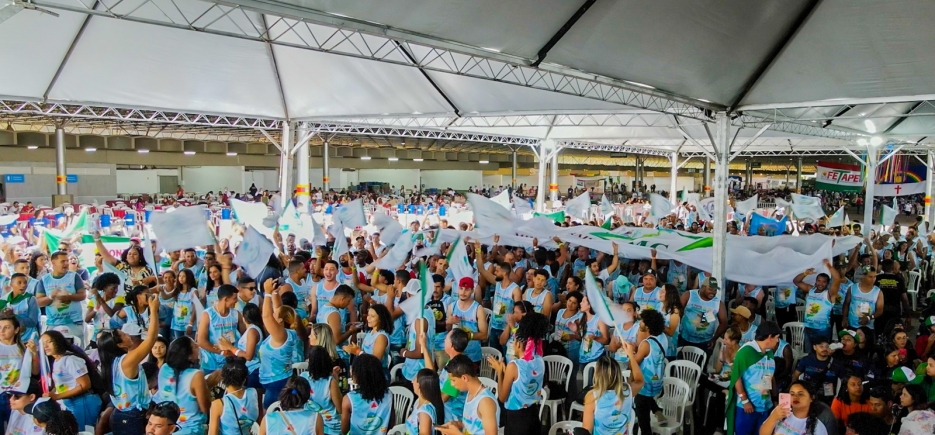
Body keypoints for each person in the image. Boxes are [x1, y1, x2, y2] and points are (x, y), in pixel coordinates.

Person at [98, 295, 161, 435]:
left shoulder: (111, 361)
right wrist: (153, 309)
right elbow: (151, 339)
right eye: (124, 335)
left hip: (121, 414)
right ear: (119, 344)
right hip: (131, 417)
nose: (128, 335)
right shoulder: (126, 361)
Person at [489, 312, 548, 435]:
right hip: (533, 415)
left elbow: (502, 397)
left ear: (519, 344)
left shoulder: (513, 366)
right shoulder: (540, 360)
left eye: (513, 342)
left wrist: (500, 372)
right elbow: (523, 380)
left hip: (517, 420)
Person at [727, 321, 782, 435]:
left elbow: (771, 377)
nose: (778, 341)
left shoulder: (769, 354)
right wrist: (745, 400)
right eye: (776, 338)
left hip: (765, 406)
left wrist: (775, 398)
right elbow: (736, 377)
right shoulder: (745, 352)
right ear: (769, 337)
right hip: (747, 407)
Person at [40, 329, 103, 429]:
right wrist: (51, 393)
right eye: (43, 344)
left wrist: (57, 396)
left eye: (49, 342)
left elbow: (85, 385)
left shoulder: (71, 360)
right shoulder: (57, 360)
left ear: (58, 341)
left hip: (83, 402)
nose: (45, 346)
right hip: (71, 402)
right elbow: (62, 383)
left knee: (82, 432)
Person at [153, 336, 209, 435]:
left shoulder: (164, 368)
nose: (198, 347)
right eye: (195, 347)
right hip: (191, 429)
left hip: (168, 426)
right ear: (189, 356)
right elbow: (205, 408)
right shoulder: (196, 375)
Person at [584, 347, 645, 435]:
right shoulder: (627, 391)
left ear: (597, 375)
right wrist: (631, 356)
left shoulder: (592, 396)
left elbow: (587, 430)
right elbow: (640, 380)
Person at [435, 354, 500, 435]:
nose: (452, 384)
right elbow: (473, 425)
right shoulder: (470, 393)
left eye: (453, 380)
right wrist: (457, 424)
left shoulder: (485, 403)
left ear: (464, 378)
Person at [257, 279, 297, 408]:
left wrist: (267, 294)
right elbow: (278, 308)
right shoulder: (285, 332)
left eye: (275, 313)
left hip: (277, 385)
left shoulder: (281, 335)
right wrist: (274, 293)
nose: (273, 312)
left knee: (272, 418)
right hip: (277, 381)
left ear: (280, 320)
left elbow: (267, 317)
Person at [35, 251, 87, 342]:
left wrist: (70, 297)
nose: (66, 264)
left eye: (67, 261)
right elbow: (39, 302)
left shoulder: (75, 276)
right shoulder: (44, 280)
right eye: (63, 261)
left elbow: (83, 295)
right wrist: (51, 296)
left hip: (74, 322)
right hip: (54, 324)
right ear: (53, 262)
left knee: (77, 352)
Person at [793, 260, 843, 349]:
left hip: (822, 330)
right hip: (807, 328)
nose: (821, 283)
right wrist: (805, 273)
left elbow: (837, 279)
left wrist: (828, 265)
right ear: (815, 281)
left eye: (824, 281)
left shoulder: (829, 294)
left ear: (827, 284)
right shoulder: (810, 289)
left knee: (823, 353)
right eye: (819, 281)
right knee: (809, 352)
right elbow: (796, 281)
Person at [633, 308, 667, 435]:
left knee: (644, 422)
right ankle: (657, 411)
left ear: (647, 326)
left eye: (642, 321)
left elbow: (634, 363)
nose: (639, 323)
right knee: (648, 401)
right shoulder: (663, 338)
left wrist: (630, 353)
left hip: (644, 384)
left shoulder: (646, 344)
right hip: (657, 382)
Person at [196, 284, 244, 373]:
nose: (236, 300)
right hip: (211, 363)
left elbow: (245, 335)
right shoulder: (208, 314)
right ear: (226, 299)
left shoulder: (236, 314)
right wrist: (222, 352)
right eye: (234, 298)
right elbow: (201, 341)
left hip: (230, 362)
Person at [208, 356, 261, 435]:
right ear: (245, 379)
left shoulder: (218, 404)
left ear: (223, 379)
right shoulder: (255, 393)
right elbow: (260, 423)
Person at [341, 353, 391, 435]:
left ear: (358, 375)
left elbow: (344, 430)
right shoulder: (389, 395)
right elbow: (391, 424)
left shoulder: (348, 399)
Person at [679, 276, 728, 356]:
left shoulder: (718, 303)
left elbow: (724, 322)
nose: (713, 292)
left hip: (705, 342)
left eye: (715, 290)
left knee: (702, 367)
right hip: (685, 339)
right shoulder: (689, 295)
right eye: (710, 289)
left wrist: (714, 338)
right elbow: (677, 312)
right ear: (702, 287)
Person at [217, 302, 262, 389]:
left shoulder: (252, 331)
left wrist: (231, 347)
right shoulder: (250, 330)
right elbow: (242, 352)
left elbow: (248, 356)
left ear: (243, 317)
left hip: (253, 371)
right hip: (248, 370)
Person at [758, 381, 829, 435]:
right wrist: (773, 418)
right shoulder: (779, 412)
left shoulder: (818, 427)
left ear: (811, 398)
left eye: (800, 394)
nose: (795, 397)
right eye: (792, 394)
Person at [300, 346, 342, 435]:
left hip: (309, 425)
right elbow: (340, 409)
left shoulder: (303, 377)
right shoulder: (330, 382)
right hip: (330, 426)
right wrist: (335, 378)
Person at [2, 273, 40, 343]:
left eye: (25, 282)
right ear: (11, 284)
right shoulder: (3, 300)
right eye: (19, 283)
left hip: (29, 340)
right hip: (11, 340)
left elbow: (32, 322)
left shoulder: (30, 299)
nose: (23, 285)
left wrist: (13, 317)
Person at [408, 368, 445, 435]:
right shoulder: (419, 402)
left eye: (414, 379)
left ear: (419, 385)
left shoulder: (424, 413)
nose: (412, 382)